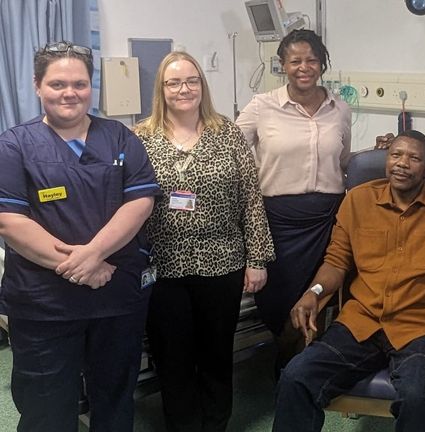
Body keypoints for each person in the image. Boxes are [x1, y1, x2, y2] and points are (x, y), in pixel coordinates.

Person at [272, 130, 425, 432]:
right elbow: (336, 261)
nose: (402, 163)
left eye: (414, 158)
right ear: (386, 160)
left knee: (417, 397)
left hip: (423, 325)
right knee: (296, 376)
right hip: (362, 321)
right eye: (396, 155)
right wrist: (313, 293)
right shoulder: (357, 200)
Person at [0, 41, 159, 431]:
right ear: (37, 85)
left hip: (115, 298)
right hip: (45, 305)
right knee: (46, 405)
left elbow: (139, 203)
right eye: (57, 84)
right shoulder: (14, 145)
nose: (69, 92)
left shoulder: (121, 139)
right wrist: (83, 266)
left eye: (80, 83)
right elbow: (9, 221)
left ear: (92, 86)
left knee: (116, 398)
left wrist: (94, 254)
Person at [134, 52, 275, 432]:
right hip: (164, 265)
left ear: (202, 85)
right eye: (174, 82)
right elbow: (125, 203)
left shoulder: (226, 132)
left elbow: (251, 197)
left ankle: (215, 423)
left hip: (222, 262)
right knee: (172, 356)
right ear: (161, 89)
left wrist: (257, 258)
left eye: (192, 81)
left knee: (215, 353)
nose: (184, 89)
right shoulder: (140, 137)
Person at [236, 29, 351, 373]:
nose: (304, 67)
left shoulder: (339, 108)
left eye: (312, 60)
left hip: (327, 220)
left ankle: (294, 375)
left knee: (318, 297)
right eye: (295, 60)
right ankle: (293, 368)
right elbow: (229, 147)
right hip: (276, 221)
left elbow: (342, 163)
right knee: (277, 303)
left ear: (322, 63)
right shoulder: (262, 106)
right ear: (283, 65)